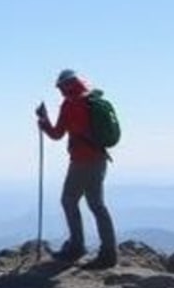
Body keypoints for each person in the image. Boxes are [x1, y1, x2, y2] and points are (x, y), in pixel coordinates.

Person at [36, 68, 117, 268]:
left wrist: (44, 121)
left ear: (67, 85)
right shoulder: (91, 100)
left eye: (61, 87)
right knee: (97, 205)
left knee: (68, 200)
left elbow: (57, 134)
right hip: (99, 159)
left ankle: (76, 246)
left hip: (82, 161)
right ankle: (109, 252)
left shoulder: (71, 105)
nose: (60, 91)